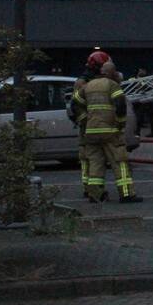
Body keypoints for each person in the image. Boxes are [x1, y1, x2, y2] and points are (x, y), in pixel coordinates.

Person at [72, 60, 142, 203]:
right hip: (110, 131)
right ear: (111, 73)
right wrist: (120, 124)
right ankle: (127, 194)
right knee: (120, 161)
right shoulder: (112, 85)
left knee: (95, 162)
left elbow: (75, 103)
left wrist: (84, 120)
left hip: (91, 132)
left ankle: (95, 194)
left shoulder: (88, 85)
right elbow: (120, 104)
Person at [68, 50, 111, 200]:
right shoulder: (82, 82)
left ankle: (92, 189)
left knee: (93, 159)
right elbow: (75, 106)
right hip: (88, 126)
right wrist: (85, 121)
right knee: (90, 158)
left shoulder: (93, 80)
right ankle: (90, 189)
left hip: (93, 125)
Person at [135, 68, 153, 138]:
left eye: (141, 71)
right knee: (141, 117)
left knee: (142, 116)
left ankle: (138, 133)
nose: (140, 72)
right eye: (139, 71)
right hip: (142, 100)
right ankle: (137, 133)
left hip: (147, 100)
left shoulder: (147, 79)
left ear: (145, 71)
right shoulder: (138, 78)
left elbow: (145, 87)